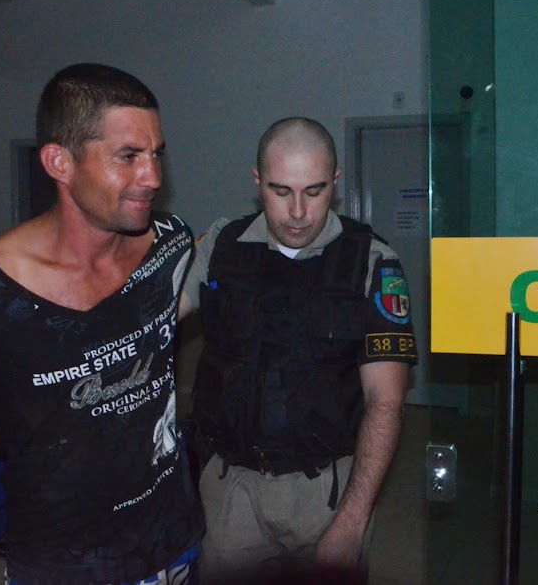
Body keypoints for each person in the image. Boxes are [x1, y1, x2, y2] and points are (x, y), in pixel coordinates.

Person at [0, 63, 203, 584]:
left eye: (156, 155)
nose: (152, 177)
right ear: (60, 162)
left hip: (172, 539)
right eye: (128, 156)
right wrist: (16, 440)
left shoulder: (168, 245)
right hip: (64, 561)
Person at [178, 117, 417, 583]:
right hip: (230, 491)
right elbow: (150, 324)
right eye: (281, 191)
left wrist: (352, 522)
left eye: (315, 190)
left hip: (326, 493)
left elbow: (386, 402)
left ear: (336, 182)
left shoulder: (371, 260)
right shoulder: (221, 246)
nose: (298, 211)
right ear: (257, 181)